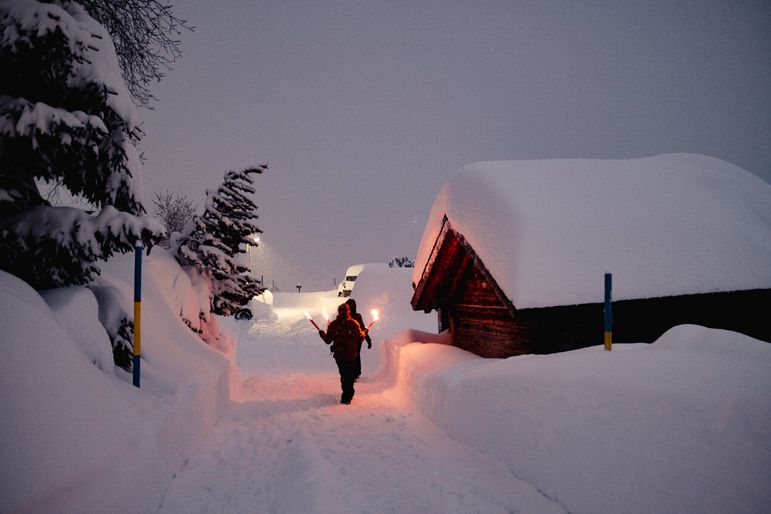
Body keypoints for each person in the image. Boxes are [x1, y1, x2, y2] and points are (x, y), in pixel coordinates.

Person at [318, 303, 366, 404]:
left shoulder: (334, 325)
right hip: (351, 355)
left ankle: (347, 396)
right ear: (349, 312)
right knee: (349, 375)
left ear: (339, 312)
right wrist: (363, 333)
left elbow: (328, 340)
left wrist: (322, 334)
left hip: (340, 356)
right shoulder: (354, 324)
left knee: (345, 375)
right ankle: (349, 393)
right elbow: (360, 339)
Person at [345, 298, 371, 381]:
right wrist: (368, 340)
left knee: (351, 356)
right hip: (357, 340)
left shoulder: (347, 316)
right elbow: (363, 328)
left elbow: (362, 328)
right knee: (356, 355)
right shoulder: (357, 316)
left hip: (351, 340)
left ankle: (352, 373)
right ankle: (355, 373)